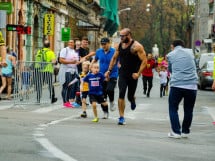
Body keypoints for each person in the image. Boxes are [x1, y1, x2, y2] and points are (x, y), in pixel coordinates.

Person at [105, 28, 147, 125]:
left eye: (122, 36)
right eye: (120, 36)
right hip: (123, 74)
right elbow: (114, 58)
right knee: (121, 93)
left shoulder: (137, 46)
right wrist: (109, 70)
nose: (121, 38)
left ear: (128, 35)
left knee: (130, 96)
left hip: (133, 75)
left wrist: (138, 73)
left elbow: (144, 61)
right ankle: (121, 117)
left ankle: (132, 100)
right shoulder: (119, 45)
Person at [167, 39, 198, 138]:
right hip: (192, 85)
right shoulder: (190, 52)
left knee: (173, 107)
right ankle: (185, 131)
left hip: (177, 84)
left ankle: (176, 132)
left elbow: (170, 69)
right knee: (189, 109)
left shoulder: (170, 55)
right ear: (183, 45)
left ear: (173, 46)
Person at [86, 37, 118, 112]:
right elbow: (95, 59)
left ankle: (112, 102)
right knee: (102, 94)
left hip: (112, 74)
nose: (103, 46)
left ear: (109, 43)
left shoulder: (114, 51)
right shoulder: (99, 51)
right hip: (101, 75)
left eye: (105, 44)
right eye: (102, 44)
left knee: (110, 89)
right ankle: (105, 112)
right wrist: (91, 65)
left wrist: (109, 72)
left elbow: (115, 62)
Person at [58, 39, 81, 108]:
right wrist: (71, 62)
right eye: (70, 42)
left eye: (72, 42)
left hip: (73, 70)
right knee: (66, 86)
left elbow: (76, 61)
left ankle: (69, 101)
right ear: (68, 43)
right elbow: (61, 60)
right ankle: (65, 102)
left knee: (72, 87)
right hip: (66, 71)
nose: (71, 43)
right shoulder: (65, 50)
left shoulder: (74, 51)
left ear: (74, 43)